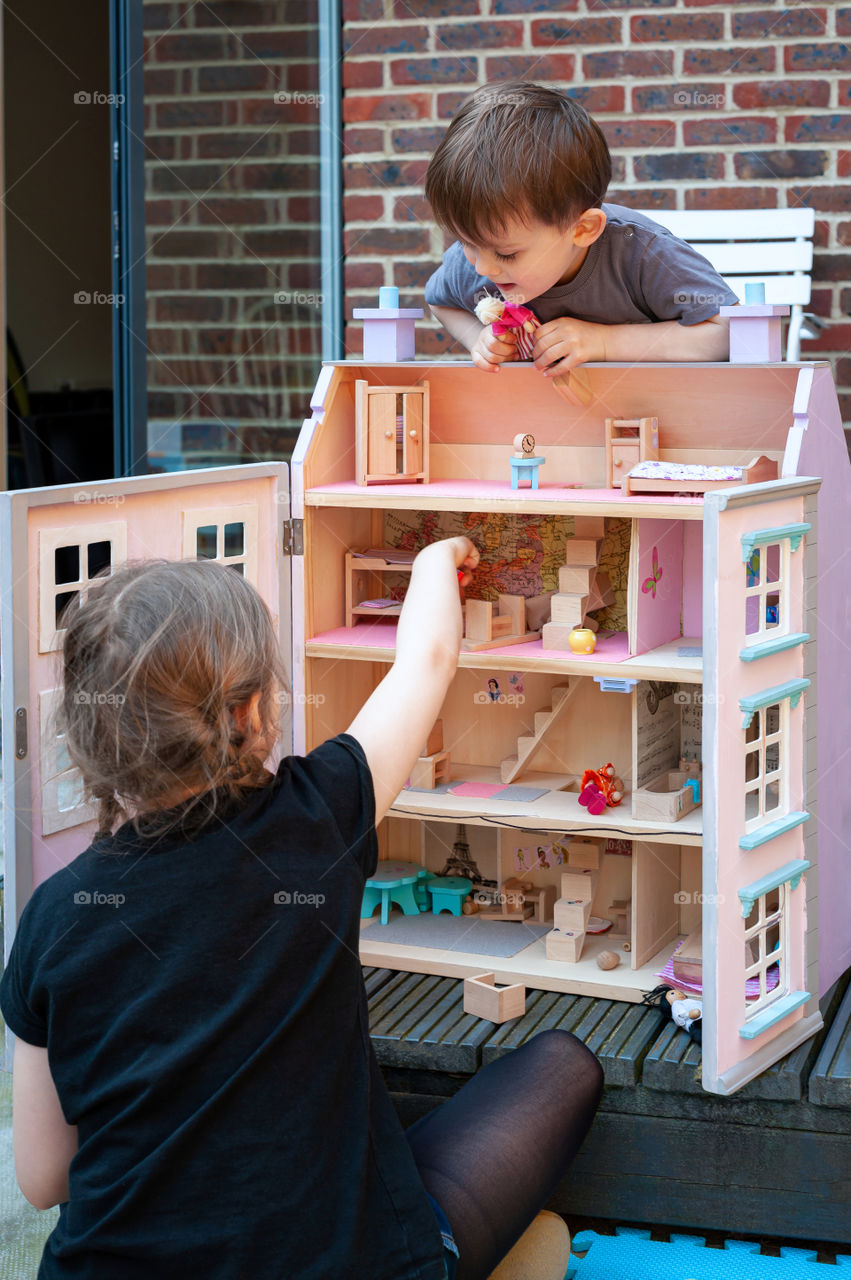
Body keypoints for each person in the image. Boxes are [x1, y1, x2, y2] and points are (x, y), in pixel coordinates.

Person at [1, 545, 603, 1280]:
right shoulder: (315, 815)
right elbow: (428, 659)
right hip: (353, 1263)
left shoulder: (53, 917)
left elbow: (43, 1179)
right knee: (561, 1069)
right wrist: (435, 561)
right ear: (248, 712)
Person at [424, 80, 739, 375]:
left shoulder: (640, 253)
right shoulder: (479, 260)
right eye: (468, 243)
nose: (484, 267)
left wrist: (604, 342)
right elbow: (439, 300)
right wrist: (478, 337)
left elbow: (729, 332)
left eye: (507, 254)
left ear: (583, 229)